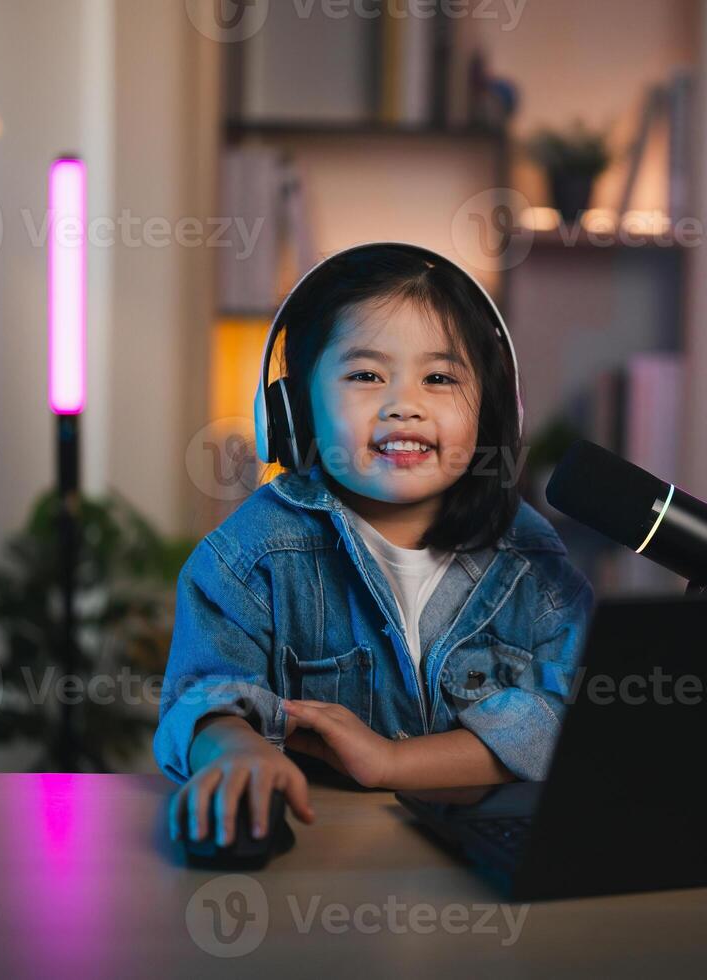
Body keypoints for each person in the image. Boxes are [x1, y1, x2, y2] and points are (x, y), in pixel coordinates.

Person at [156, 243, 593, 847]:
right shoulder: (251, 555)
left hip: (482, 861)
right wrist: (233, 748)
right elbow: (205, 695)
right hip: (325, 858)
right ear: (291, 410)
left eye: (439, 378)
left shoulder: (530, 558)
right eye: (365, 375)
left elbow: (572, 713)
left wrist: (392, 763)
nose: (403, 406)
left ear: (494, 413)